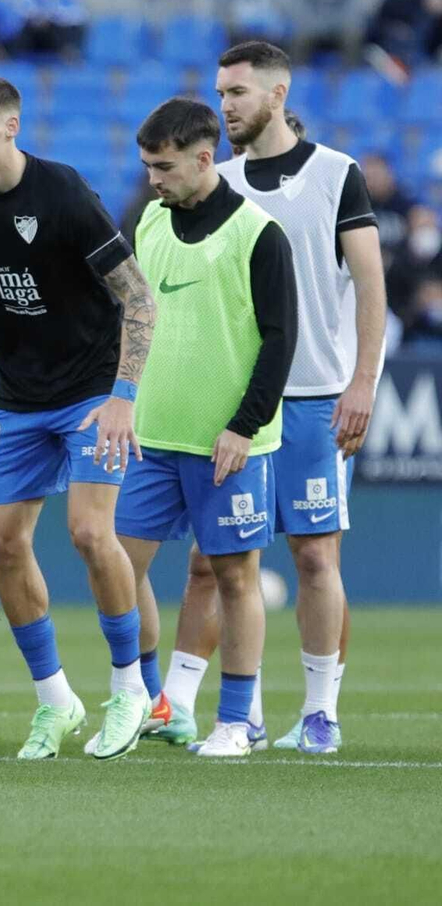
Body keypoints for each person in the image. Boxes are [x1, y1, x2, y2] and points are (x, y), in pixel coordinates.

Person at [161, 41, 386, 755]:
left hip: (315, 395)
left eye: (237, 93)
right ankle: (242, 710)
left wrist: (363, 381)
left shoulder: (336, 175)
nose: (225, 105)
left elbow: (371, 285)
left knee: (316, 558)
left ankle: (321, 712)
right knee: (218, 561)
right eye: (220, 92)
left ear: (278, 93)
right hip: (230, 405)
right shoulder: (213, 180)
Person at [0, 75, 158, 760]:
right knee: (2, 543)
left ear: (10, 128)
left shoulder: (63, 195)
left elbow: (139, 298)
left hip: (91, 389)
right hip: (19, 395)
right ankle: (56, 701)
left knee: (90, 532)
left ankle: (129, 691)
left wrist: (122, 396)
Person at [113, 97, 296, 758]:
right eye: (146, 166)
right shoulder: (150, 221)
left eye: (163, 167)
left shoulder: (259, 234)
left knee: (234, 577)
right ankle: (145, 696)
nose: (153, 178)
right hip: (153, 436)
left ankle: (236, 721)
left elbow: (281, 341)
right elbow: (132, 318)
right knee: (116, 566)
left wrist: (244, 427)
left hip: (229, 445)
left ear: (202, 157)